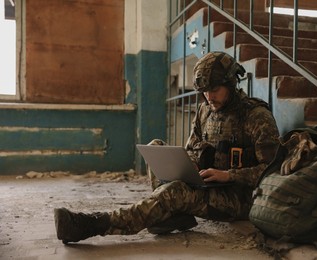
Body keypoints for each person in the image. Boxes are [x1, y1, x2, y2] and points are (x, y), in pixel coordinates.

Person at [54, 51, 280, 244]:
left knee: (173, 192)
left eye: (215, 90)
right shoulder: (205, 111)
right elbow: (192, 147)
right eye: (205, 91)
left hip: (238, 199)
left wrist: (228, 175)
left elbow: (271, 172)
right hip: (206, 185)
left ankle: (93, 224)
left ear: (231, 84)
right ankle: (172, 214)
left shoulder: (256, 116)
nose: (209, 97)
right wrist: (190, 163)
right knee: (156, 147)